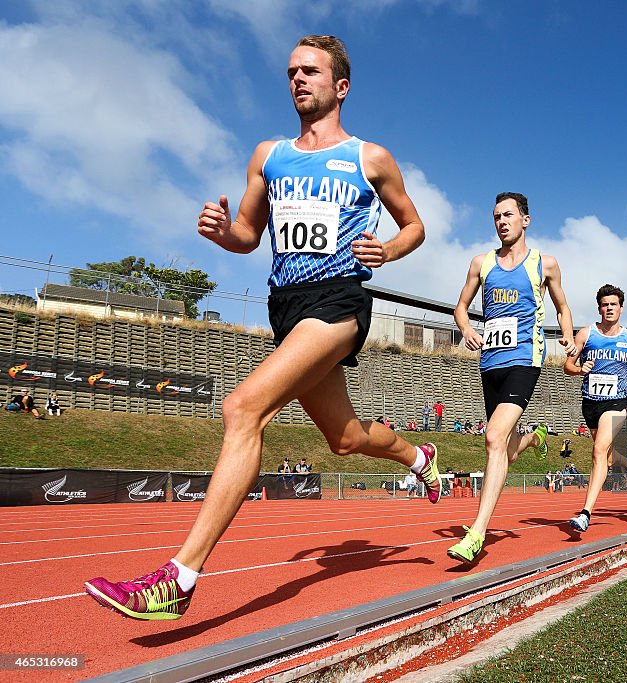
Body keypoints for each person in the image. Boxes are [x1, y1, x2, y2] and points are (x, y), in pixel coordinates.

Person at [84, 35, 441, 621]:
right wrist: (222, 232)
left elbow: (415, 226)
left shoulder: (368, 158)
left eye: (311, 72)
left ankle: (179, 578)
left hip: (338, 302)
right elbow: (249, 236)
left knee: (243, 408)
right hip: (287, 307)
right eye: (292, 72)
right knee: (345, 438)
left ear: (340, 86)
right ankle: (418, 457)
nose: (298, 80)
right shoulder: (268, 156)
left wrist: (389, 250)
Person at [446, 192, 576, 563]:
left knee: (493, 436)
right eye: (496, 217)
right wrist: (467, 328)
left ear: (526, 220)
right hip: (490, 361)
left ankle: (477, 533)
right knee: (501, 446)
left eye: (508, 215)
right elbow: (460, 307)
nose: (501, 221)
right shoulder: (481, 263)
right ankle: (533, 438)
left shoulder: (544, 264)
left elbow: (563, 307)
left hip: (524, 357)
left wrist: (567, 336)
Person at [565, 284, 627, 532]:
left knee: (598, 451)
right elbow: (568, 366)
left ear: (621, 308)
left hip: (617, 402)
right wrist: (581, 369)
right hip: (590, 403)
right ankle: (626, 461)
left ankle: (586, 512)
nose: (609, 308)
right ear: (599, 308)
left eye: (613, 304)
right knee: (608, 458)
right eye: (605, 304)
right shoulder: (586, 334)